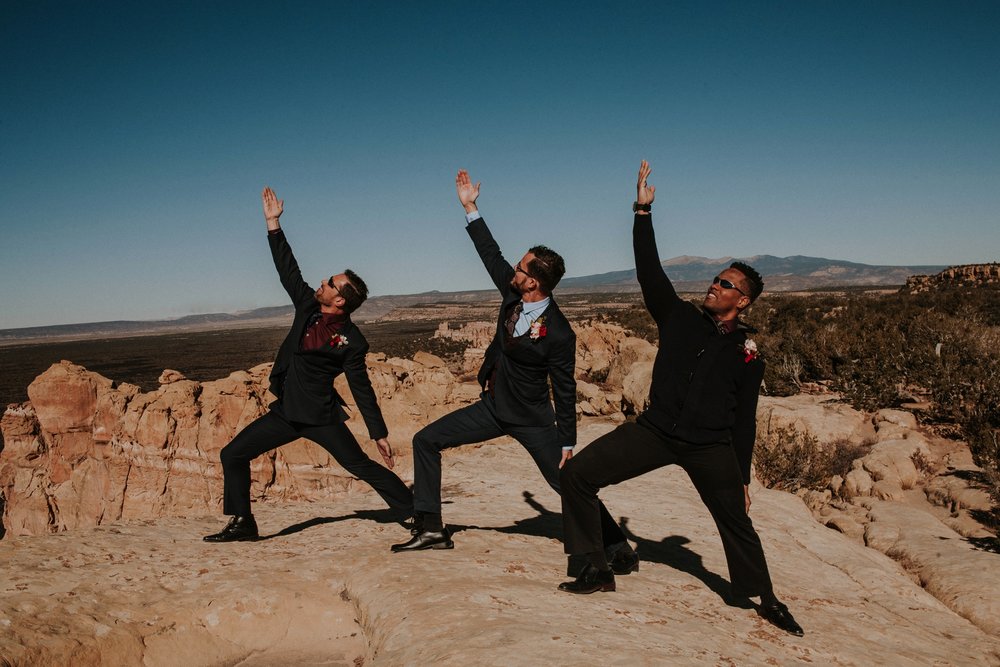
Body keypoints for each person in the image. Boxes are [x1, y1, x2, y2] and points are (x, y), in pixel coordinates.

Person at [556, 161, 804, 637]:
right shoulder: (678, 317)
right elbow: (649, 271)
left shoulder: (748, 355)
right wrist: (642, 212)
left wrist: (742, 473)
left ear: (744, 300)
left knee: (736, 523)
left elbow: (744, 421)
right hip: (655, 433)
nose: (716, 284)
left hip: (709, 448)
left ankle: (767, 598)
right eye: (717, 278)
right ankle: (596, 568)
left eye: (727, 284)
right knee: (578, 476)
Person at [391, 170, 634, 571]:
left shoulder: (559, 332)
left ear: (534, 282)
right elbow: (490, 253)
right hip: (492, 407)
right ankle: (432, 529)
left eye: (520, 268)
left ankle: (615, 543)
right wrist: (471, 208)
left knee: (565, 481)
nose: (513, 271)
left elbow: (566, 389)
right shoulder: (512, 294)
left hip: (533, 420)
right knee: (426, 440)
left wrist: (567, 442)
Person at [203, 187, 413, 542]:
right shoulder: (308, 307)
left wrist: (378, 433)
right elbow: (288, 269)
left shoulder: (353, 340)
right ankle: (243, 522)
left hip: (320, 418)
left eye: (329, 283)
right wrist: (273, 225)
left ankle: (416, 511)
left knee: (360, 465)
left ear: (341, 299)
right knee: (233, 454)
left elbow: (362, 388)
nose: (321, 283)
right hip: (286, 413)